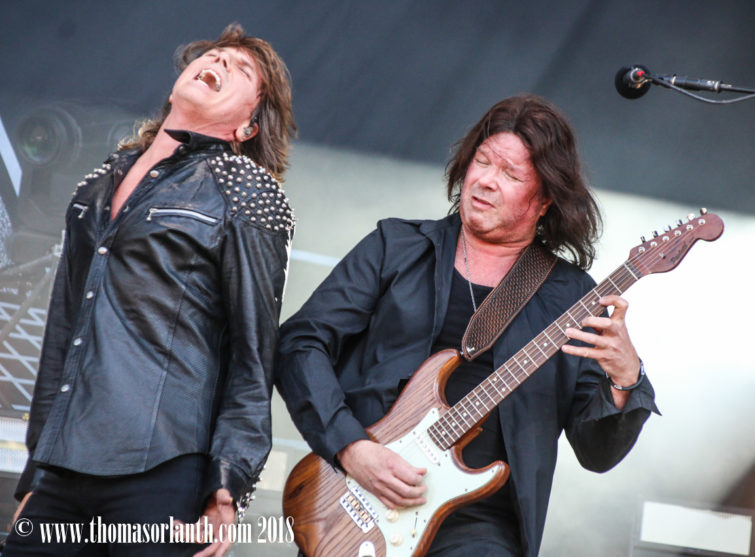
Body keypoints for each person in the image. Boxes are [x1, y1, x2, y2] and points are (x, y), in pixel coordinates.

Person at [276, 95, 658, 557]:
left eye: (510, 174)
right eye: (483, 161)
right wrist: (351, 447)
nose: (486, 180)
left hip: (479, 526)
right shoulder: (396, 247)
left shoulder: (571, 299)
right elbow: (301, 343)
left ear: (545, 201)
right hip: (360, 493)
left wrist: (626, 377)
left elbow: (598, 452)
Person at [5, 24, 296, 557]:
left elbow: (253, 351)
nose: (219, 62)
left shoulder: (246, 191)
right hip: (62, 467)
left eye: (241, 69)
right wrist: (34, 473)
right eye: (214, 55)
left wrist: (229, 480)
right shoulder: (97, 184)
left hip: (162, 467)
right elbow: (62, 332)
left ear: (248, 126)